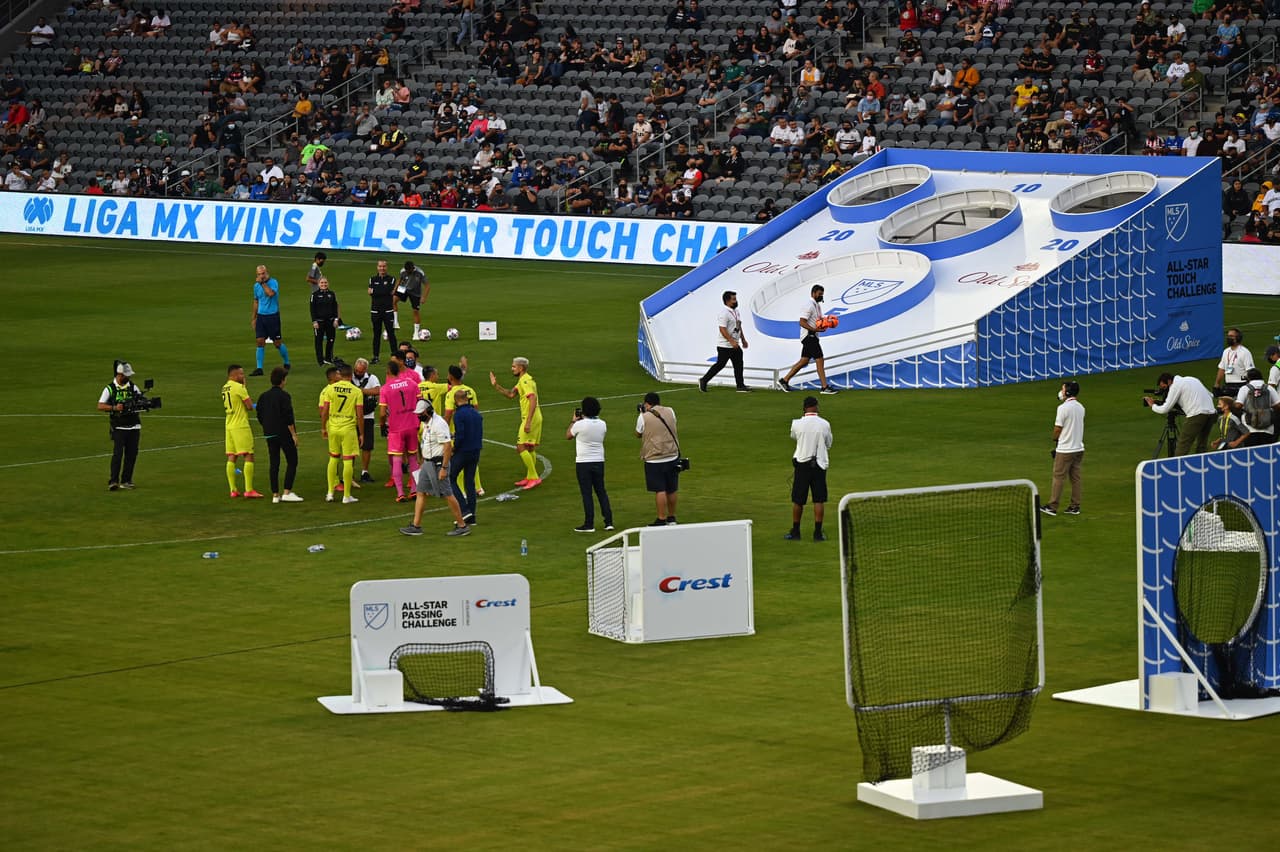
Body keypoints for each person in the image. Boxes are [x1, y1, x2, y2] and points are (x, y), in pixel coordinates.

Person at [399, 399, 471, 537]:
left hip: (438, 464)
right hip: (428, 464)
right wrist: (422, 461)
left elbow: (447, 446)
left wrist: (444, 467)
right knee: (421, 491)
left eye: (421, 413)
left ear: (429, 411)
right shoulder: (426, 423)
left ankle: (462, 526)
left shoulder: (439, 424)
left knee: (448, 494)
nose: (419, 416)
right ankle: (416, 526)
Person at [489, 356, 543, 489]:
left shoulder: (525, 382)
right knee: (529, 447)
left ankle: (534, 477)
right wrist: (496, 385)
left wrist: (528, 422)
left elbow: (533, 400)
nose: (511, 368)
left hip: (531, 417)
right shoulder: (522, 381)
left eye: (514, 366)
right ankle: (530, 476)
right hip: (533, 417)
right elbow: (510, 394)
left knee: (520, 447)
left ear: (521, 368)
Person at [785, 396, 833, 541]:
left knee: (798, 500)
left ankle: (796, 531)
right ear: (816, 407)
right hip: (819, 464)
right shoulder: (824, 424)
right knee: (819, 499)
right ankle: (817, 533)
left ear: (804, 408)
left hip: (802, 464)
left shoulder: (797, 424)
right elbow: (829, 443)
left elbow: (794, 437)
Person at [778, 284, 838, 394]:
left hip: (812, 336)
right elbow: (802, 322)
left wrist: (827, 321)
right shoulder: (809, 305)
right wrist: (815, 330)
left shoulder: (817, 306)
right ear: (813, 293)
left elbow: (818, 320)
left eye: (822, 294)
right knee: (819, 359)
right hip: (809, 336)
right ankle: (824, 387)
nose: (821, 296)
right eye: (819, 294)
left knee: (804, 361)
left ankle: (784, 380)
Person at [255, 366, 303, 503]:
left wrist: (266, 426)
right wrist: (294, 434)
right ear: (283, 380)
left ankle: (275, 495)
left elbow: (259, 414)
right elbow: (288, 416)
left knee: (274, 462)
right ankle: (287, 492)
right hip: (283, 433)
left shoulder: (263, 396)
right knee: (292, 460)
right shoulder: (284, 396)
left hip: (269, 433)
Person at [377, 359, 422, 503]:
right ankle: (415, 490)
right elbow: (421, 403)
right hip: (412, 425)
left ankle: (400, 493)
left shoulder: (385, 389)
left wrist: (382, 425)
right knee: (413, 458)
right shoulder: (412, 383)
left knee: (397, 460)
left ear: (388, 372)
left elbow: (383, 413)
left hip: (396, 429)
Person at [567, 396, 613, 532]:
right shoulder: (603, 424)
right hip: (599, 460)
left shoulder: (579, 425)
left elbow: (568, 435)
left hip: (583, 462)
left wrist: (573, 420)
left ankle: (589, 524)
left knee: (587, 493)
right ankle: (608, 522)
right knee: (601, 491)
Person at [320, 363, 364, 503]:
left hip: (333, 427)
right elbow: (360, 414)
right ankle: (346, 495)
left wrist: (323, 427)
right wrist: (361, 433)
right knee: (347, 460)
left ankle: (330, 493)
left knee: (333, 458)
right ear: (351, 376)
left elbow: (325, 410)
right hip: (348, 428)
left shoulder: (330, 389)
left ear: (340, 375)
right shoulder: (356, 391)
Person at [1143, 372, 1217, 455]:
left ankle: (1178, 466)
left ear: (1169, 381)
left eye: (1164, 387)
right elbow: (1211, 395)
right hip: (1211, 413)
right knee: (1202, 444)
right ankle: (1202, 465)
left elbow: (1165, 409)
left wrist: (1153, 405)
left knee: (1183, 445)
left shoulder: (1175, 386)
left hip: (1197, 415)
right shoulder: (1191, 378)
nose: (1165, 390)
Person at [97, 360, 144, 491]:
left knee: (132, 455)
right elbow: (100, 405)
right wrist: (115, 408)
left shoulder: (133, 387)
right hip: (119, 427)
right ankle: (113, 481)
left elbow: (141, 400)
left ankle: (126, 480)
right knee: (117, 454)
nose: (128, 377)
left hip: (134, 426)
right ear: (119, 374)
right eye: (126, 375)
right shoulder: (110, 388)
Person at [636, 391, 681, 525]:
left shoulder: (644, 417)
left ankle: (661, 518)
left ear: (647, 404)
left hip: (654, 458)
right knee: (672, 489)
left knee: (660, 489)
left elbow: (638, 433)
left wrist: (641, 414)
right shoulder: (670, 411)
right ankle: (672, 517)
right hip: (672, 454)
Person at [1041, 380, 1084, 516]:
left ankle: (1052, 506)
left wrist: (1055, 439)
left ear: (1067, 392)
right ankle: (1075, 506)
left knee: (1058, 477)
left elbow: (1057, 429)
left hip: (1065, 449)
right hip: (1078, 448)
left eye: (1063, 389)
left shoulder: (1063, 408)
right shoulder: (1081, 407)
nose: (1061, 391)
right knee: (1075, 478)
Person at [698, 290, 751, 392]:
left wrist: (743, 339)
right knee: (720, 364)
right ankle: (704, 380)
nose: (736, 301)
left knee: (739, 364)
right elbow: (722, 329)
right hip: (725, 345)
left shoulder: (736, 312)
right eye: (734, 299)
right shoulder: (724, 313)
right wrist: (731, 341)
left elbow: (738, 326)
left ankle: (740, 385)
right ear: (727, 301)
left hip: (735, 344)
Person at [222, 364, 262, 498]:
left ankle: (233, 490)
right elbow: (249, 406)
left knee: (232, 456)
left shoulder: (225, 387)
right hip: (240, 425)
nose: (243, 376)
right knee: (248, 455)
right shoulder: (239, 388)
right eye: (241, 374)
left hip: (229, 425)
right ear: (233, 375)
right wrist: (244, 387)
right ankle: (249, 490)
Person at [450, 387, 483, 526]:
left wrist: (454, 448)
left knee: (450, 478)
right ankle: (472, 516)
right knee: (470, 482)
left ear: (456, 401)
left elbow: (461, 435)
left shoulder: (458, 415)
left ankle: (464, 510)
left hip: (463, 451)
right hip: (476, 450)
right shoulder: (476, 413)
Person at [250, 265, 290, 377]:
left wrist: (262, 283)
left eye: (263, 273)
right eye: (259, 274)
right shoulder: (256, 286)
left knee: (277, 343)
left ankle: (287, 363)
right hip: (261, 317)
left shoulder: (273, 282)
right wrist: (254, 318)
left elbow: (271, 293)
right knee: (259, 341)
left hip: (273, 317)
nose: (261, 276)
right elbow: (256, 301)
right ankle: (259, 368)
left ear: (267, 272)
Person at [1230, 368, 1280, 448]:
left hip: (1249, 428)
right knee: (1266, 453)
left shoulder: (1244, 388)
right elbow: (1278, 406)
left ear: (1249, 378)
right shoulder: (1269, 388)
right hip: (1268, 428)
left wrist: (1231, 404)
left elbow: (1238, 405)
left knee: (1251, 454)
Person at [351, 358, 381, 484]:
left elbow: (378, 390)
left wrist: (361, 391)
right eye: (356, 370)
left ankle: (365, 471)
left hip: (368, 415)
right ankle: (349, 473)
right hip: (352, 416)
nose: (358, 373)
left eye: (360, 371)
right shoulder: (349, 377)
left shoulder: (372, 378)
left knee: (367, 446)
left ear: (365, 370)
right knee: (351, 447)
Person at [368, 259, 397, 363]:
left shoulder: (392, 279)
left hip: (388, 311)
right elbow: (372, 293)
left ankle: (395, 357)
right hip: (375, 311)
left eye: (384, 266)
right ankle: (376, 357)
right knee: (376, 334)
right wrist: (382, 291)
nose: (382, 268)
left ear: (386, 267)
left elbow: (388, 291)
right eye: (380, 266)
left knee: (391, 333)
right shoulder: (372, 279)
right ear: (377, 267)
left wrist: (376, 291)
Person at [309, 276, 340, 365]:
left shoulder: (332, 294)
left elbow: (335, 307)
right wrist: (314, 321)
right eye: (322, 283)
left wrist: (336, 319)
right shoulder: (314, 295)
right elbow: (312, 309)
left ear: (328, 283)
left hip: (330, 321)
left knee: (331, 339)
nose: (324, 284)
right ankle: (320, 361)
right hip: (319, 322)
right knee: (319, 341)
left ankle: (328, 358)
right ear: (318, 284)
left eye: (325, 283)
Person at [394, 260, 428, 337]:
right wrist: (394, 289)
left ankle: (416, 333)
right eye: (407, 270)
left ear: (413, 268)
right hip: (403, 288)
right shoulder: (402, 271)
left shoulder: (420, 273)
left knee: (415, 311)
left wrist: (424, 297)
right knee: (393, 300)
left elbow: (427, 286)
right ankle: (395, 322)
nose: (408, 272)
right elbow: (400, 279)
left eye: (409, 270)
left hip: (415, 292)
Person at [1214, 327, 1253, 391]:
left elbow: (1250, 371)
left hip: (1241, 384)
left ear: (1238, 338)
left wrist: (1250, 386)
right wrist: (1217, 384)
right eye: (1228, 336)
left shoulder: (1245, 352)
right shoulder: (1226, 351)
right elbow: (1221, 369)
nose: (1229, 338)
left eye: (1231, 336)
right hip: (1228, 384)